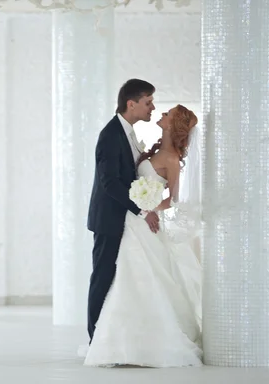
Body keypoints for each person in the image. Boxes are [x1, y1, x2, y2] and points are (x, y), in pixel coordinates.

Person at [84, 103, 203, 368]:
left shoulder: (172, 159)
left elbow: (171, 200)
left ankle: (141, 341)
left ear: (174, 124)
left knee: (137, 275)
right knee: (122, 275)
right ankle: (115, 338)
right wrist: (140, 206)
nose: (161, 113)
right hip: (131, 217)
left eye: (167, 114)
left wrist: (148, 207)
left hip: (143, 221)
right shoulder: (153, 147)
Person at [86, 78, 159, 344]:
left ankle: (111, 336)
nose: (152, 108)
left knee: (115, 279)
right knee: (102, 277)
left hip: (122, 219)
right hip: (108, 219)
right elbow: (109, 183)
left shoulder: (127, 132)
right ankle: (96, 338)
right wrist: (142, 209)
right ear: (132, 103)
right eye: (148, 102)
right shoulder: (110, 134)